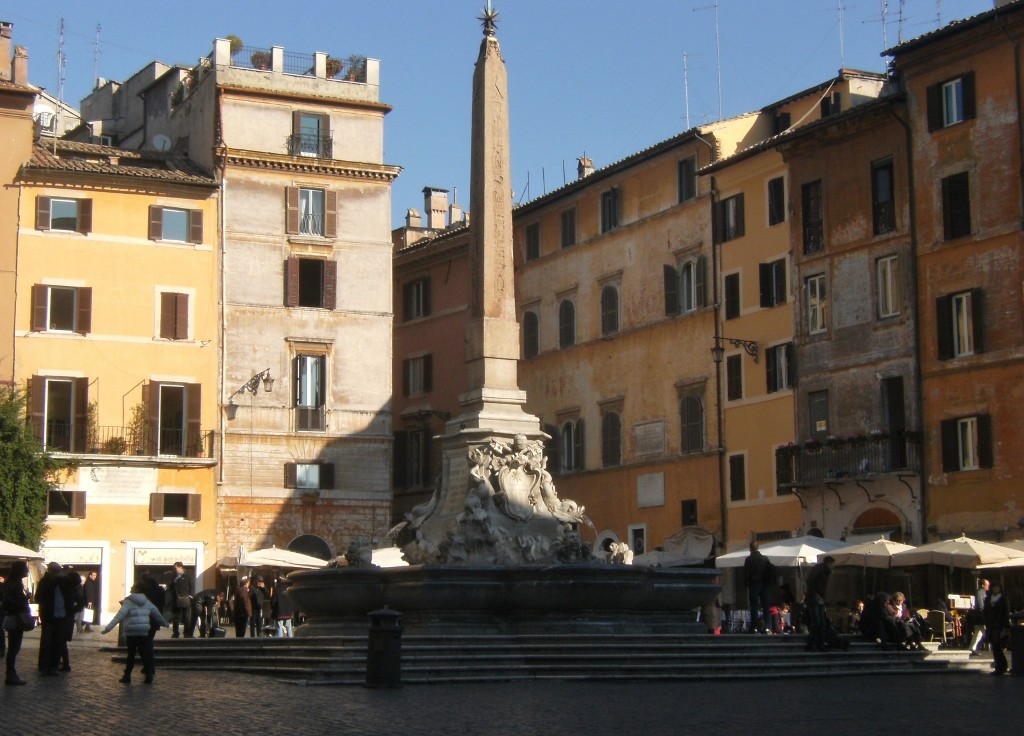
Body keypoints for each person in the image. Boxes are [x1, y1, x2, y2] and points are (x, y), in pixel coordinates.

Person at [101, 582, 169, 684]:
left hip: (131, 632)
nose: (131, 588)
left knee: (131, 654)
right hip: (143, 631)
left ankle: (127, 676)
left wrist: (108, 629)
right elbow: (157, 615)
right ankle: (148, 675)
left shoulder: (128, 602)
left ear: (136, 589)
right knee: (144, 653)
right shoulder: (147, 602)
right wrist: (165, 624)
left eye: (132, 587)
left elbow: (119, 616)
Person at [804, 555, 845, 651]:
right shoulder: (819, 570)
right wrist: (816, 594)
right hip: (815, 598)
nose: (833, 566)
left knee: (821, 622)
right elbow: (811, 581)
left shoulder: (824, 571)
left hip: (819, 598)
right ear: (828, 563)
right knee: (817, 621)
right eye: (832, 564)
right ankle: (812, 644)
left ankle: (819, 643)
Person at [2, 561, 32, 685]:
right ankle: (11, 674)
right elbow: (12, 601)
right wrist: (24, 601)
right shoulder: (15, 585)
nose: (27, 571)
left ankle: (11, 674)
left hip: (12, 617)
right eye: (25, 568)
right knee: (14, 647)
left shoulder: (10, 583)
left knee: (13, 647)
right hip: (16, 618)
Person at [34, 561, 66, 676]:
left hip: (60, 615)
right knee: (46, 641)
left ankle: (53, 666)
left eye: (59, 571)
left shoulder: (62, 582)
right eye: (56, 571)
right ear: (50, 571)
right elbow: (38, 597)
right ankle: (43, 666)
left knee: (57, 642)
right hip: (48, 615)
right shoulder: (45, 582)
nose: (58, 573)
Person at [743, 542, 775, 633]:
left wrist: (746, 584)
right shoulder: (765, 559)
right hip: (765, 585)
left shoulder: (749, 559)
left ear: (750, 549)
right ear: (758, 548)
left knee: (754, 607)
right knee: (766, 606)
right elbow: (770, 570)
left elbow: (746, 573)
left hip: (754, 585)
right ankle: (768, 627)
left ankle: (754, 627)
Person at [58, 568, 85, 671]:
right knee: (62, 641)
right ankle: (65, 663)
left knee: (61, 640)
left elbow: (81, 603)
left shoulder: (71, 589)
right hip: (67, 616)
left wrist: (72, 610)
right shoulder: (74, 589)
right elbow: (81, 603)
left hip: (65, 616)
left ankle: (64, 663)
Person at [984, 581, 1010, 675]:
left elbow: (1006, 613)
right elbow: (985, 611)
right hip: (991, 625)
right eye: (994, 587)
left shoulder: (1003, 599)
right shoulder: (988, 599)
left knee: (997, 645)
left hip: (999, 625)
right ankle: (998, 666)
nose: (995, 589)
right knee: (994, 646)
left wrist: (1005, 627)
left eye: (997, 587)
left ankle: (1002, 666)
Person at [167, 561, 193, 638]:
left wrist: (190, 596)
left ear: (180, 567)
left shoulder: (187, 576)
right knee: (176, 617)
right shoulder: (175, 576)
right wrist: (167, 587)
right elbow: (171, 587)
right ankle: (175, 633)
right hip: (176, 599)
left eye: (176, 568)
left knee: (186, 617)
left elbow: (191, 586)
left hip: (185, 598)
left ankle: (187, 633)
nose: (175, 569)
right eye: (174, 568)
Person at [968, 578, 990, 656]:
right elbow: (981, 605)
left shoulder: (981, 592)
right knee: (986, 632)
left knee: (978, 633)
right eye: (987, 585)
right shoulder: (980, 592)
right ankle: (996, 646)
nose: (988, 586)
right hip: (980, 617)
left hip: (978, 616)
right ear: (983, 585)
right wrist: (985, 614)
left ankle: (971, 648)